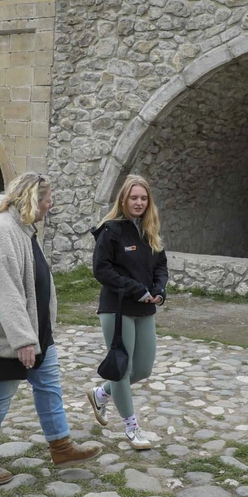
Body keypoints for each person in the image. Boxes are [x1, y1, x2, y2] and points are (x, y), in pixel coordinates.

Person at [0, 172, 101, 484]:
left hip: (36, 331)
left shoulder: (23, 228)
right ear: (32, 199)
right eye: (47, 199)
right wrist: (22, 339)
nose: (50, 205)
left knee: (49, 386)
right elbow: (5, 289)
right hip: (1, 334)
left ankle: (61, 447)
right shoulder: (3, 231)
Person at [86, 174, 168, 451]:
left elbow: (161, 265)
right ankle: (132, 428)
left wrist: (159, 290)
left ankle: (101, 393)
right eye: (134, 197)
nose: (139, 202)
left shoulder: (149, 230)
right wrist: (135, 289)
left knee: (143, 369)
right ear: (123, 199)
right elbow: (101, 269)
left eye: (143, 198)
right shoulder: (110, 230)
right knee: (122, 370)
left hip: (145, 308)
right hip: (117, 308)